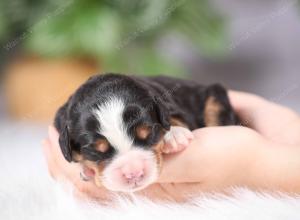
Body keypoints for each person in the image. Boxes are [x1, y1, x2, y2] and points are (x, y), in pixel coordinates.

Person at [43, 91, 300, 202]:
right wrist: (280, 122)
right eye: (99, 154)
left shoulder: (166, 111)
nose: (131, 170)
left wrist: (256, 167)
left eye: (146, 138)